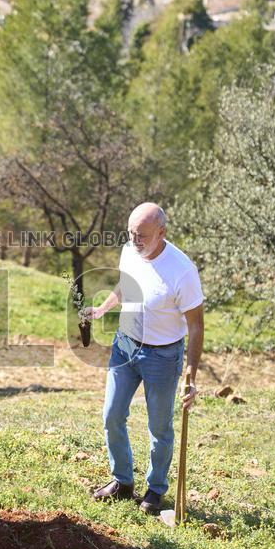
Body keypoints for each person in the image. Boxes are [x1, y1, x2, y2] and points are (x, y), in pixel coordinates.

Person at [87, 203, 204, 514]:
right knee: (112, 415)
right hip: (125, 346)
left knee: (159, 427)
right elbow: (126, 285)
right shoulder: (130, 250)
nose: (134, 241)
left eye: (142, 236)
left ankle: (155, 489)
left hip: (162, 356)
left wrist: (191, 374)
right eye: (131, 233)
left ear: (161, 233)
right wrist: (102, 309)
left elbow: (196, 326)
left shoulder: (182, 270)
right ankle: (122, 481)